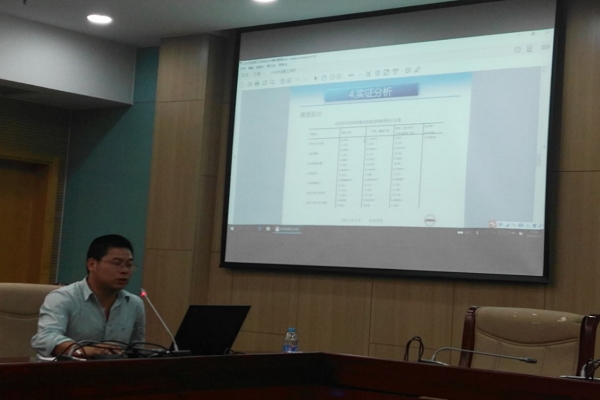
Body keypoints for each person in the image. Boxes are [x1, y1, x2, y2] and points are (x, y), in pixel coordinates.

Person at [31, 234, 145, 359]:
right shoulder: (63, 298)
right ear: (92, 264)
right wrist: (85, 350)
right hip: (69, 369)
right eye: (116, 263)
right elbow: (46, 338)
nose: (125, 270)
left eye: (129, 265)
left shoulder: (134, 304)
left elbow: (136, 349)